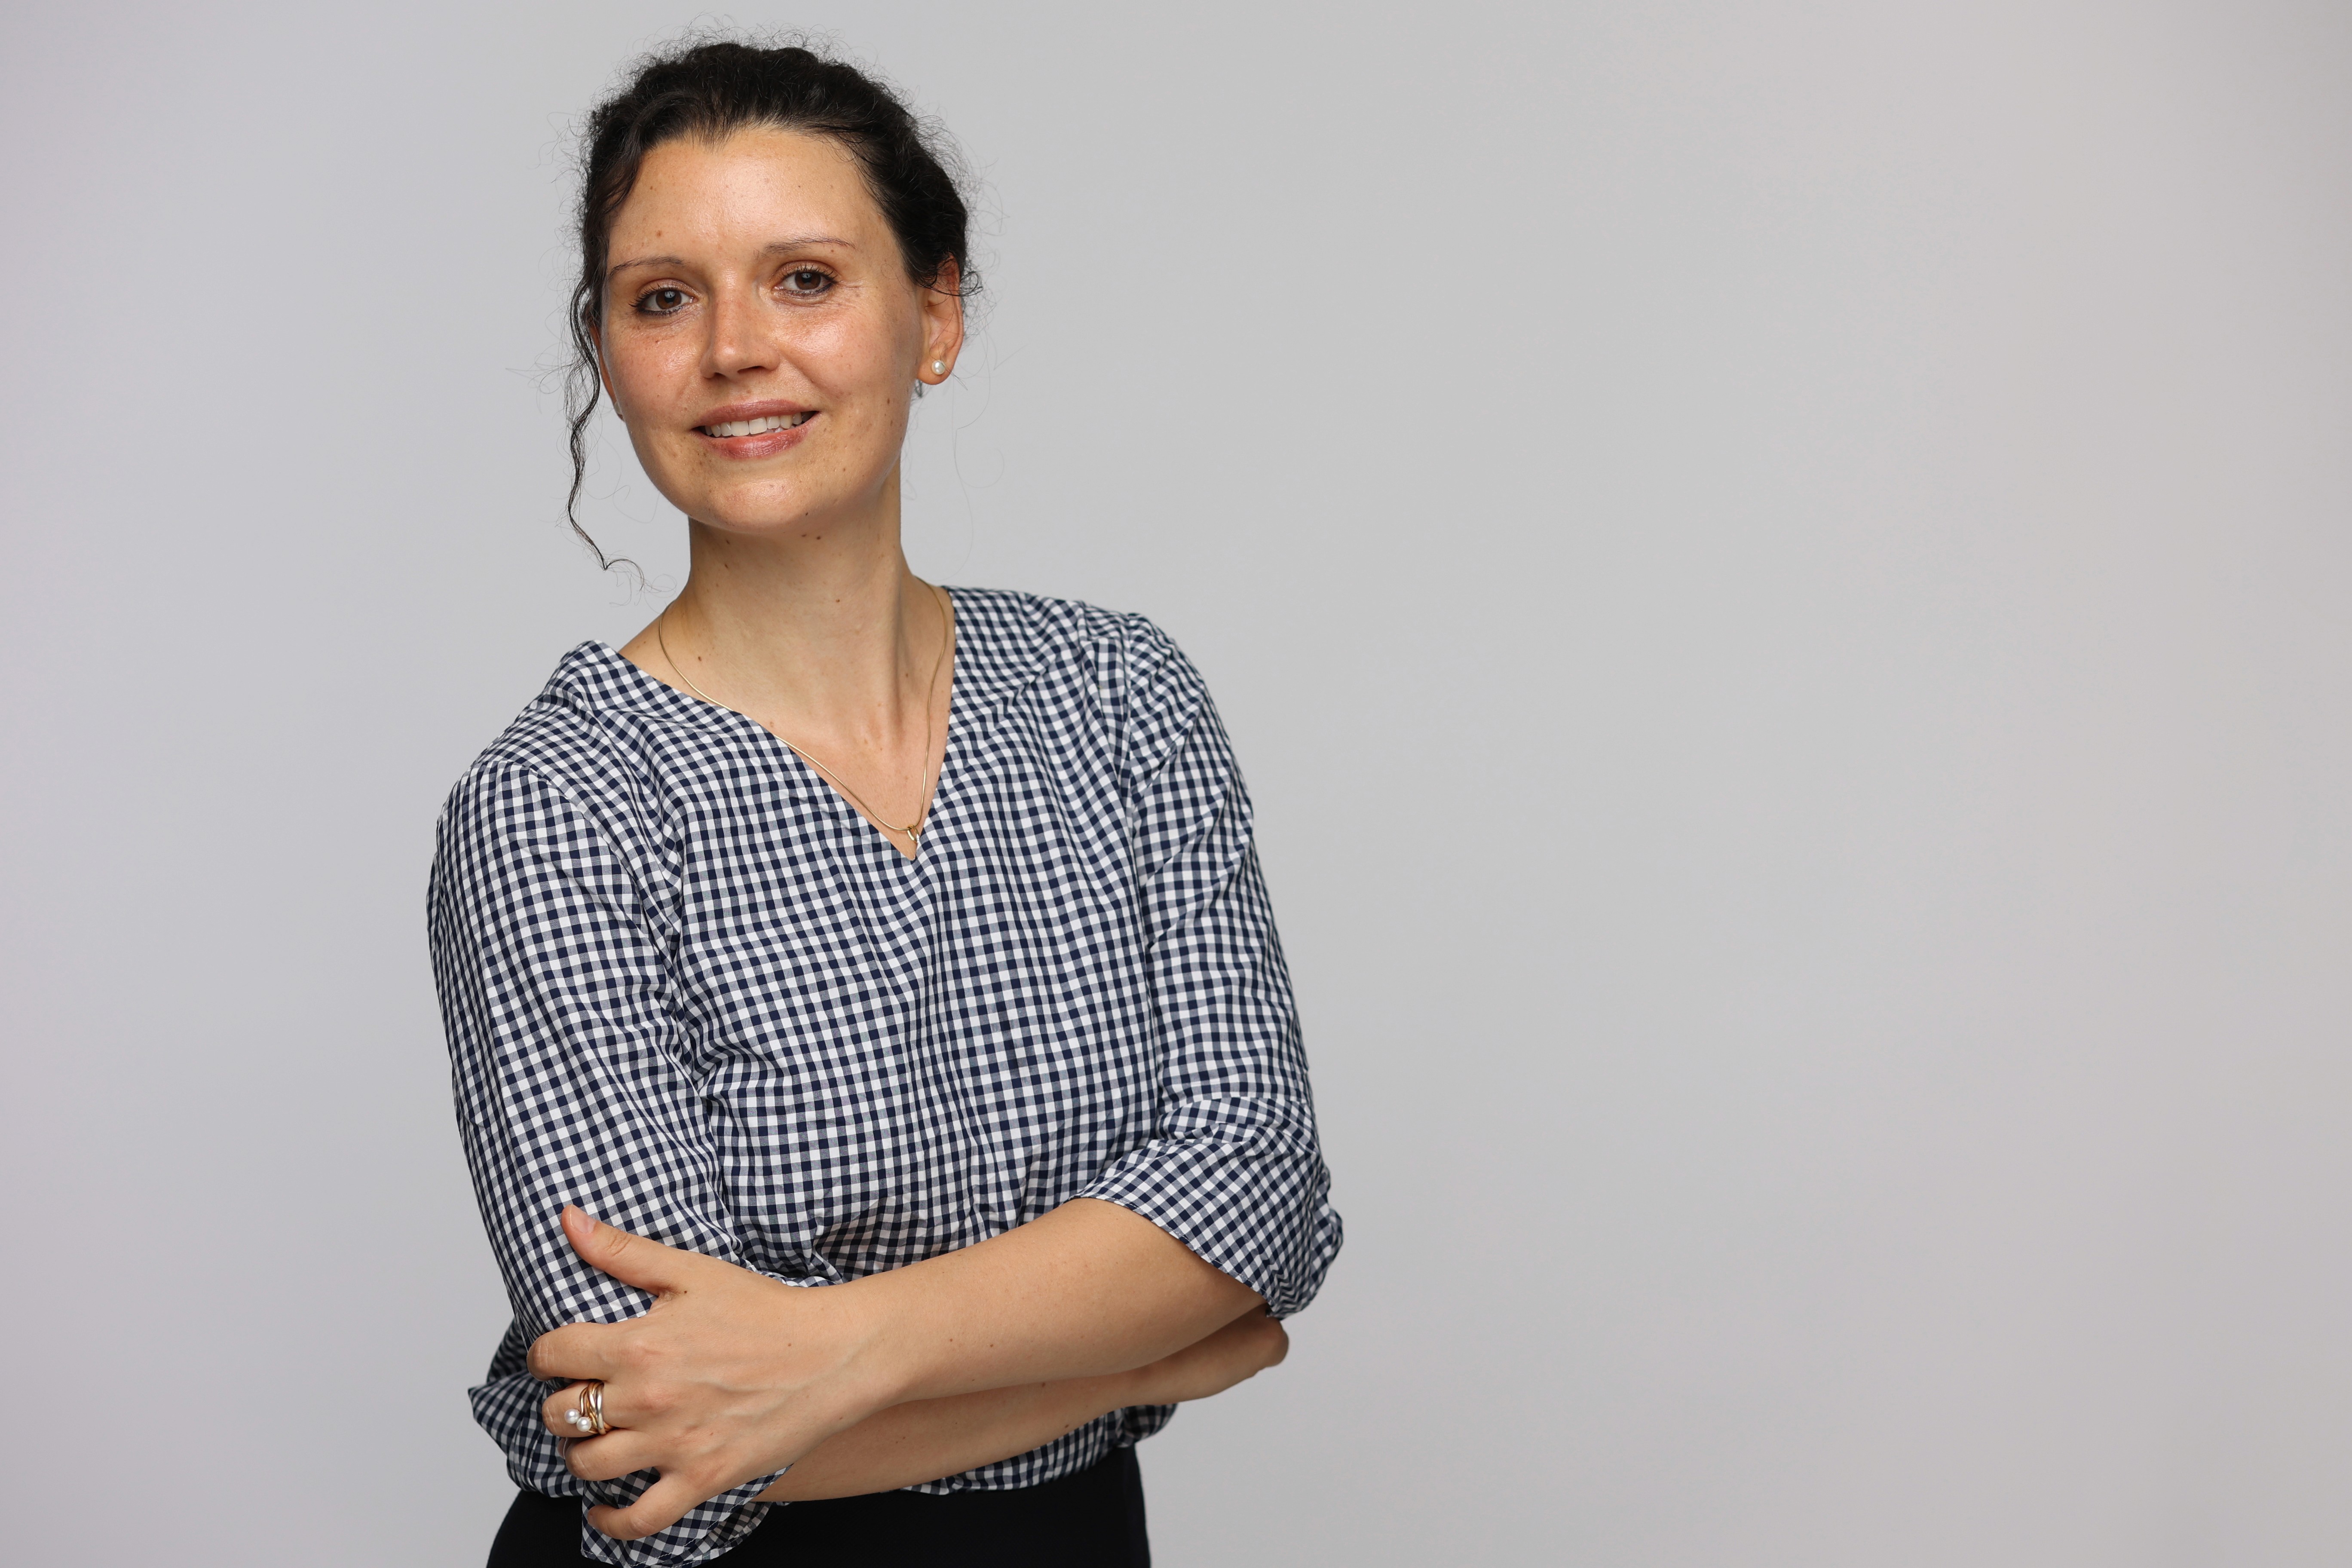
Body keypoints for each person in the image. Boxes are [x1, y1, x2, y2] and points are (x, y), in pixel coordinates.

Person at [426, 37, 1342, 1567]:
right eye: (664, 298)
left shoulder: (1120, 700)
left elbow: (1261, 1192)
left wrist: (827, 1354)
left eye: (805, 279)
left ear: (937, 314)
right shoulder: (555, 805)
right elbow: (658, 1452)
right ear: (607, 351)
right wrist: (1140, 1360)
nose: (735, 348)